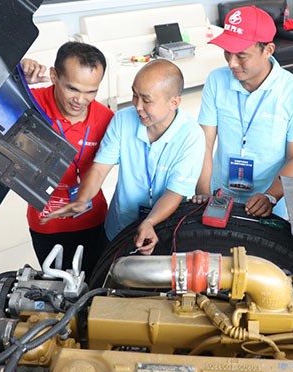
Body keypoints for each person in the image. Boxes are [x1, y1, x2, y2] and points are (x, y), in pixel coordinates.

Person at [41, 59, 205, 255]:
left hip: (161, 230)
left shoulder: (191, 136)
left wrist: (150, 222)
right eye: (135, 95)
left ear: (174, 102)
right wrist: (82, 199)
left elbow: (175, 193)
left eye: (147, 100)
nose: (137, 106)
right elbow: (100, 168)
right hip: (117, 228)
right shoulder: (122, 120)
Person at [196, 5, 293, 218]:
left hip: (270, 200)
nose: (232, 63)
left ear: (268, 51)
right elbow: (204, 142)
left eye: (241, 55)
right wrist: (204, 192)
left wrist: (270, 196)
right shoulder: (216, 80)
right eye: (227, 53)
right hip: (219, 193)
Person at [21, 42, 113, 279]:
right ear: (54, 76)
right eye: (72, 89)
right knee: (56, 291)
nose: (80, 100)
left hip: (93, 220)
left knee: (95, 285)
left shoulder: (106, 119)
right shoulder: (29, 103)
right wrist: (17, 78)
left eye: (91, 91)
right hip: (46, 224)